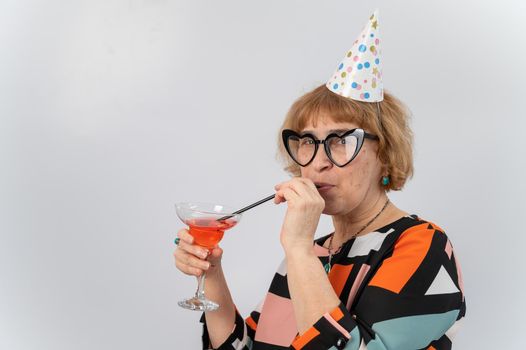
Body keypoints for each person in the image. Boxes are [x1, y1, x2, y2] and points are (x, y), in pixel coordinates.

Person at [174, 10, 465, 350]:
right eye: (308, 142)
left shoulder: (422, 246)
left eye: (341, 141)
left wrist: (297, 248)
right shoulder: (313, 253)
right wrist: (211, 273)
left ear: (385, 154)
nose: (319, 162)